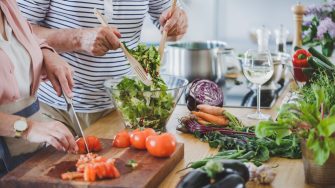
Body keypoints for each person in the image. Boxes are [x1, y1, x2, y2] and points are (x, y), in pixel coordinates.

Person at [17, 0, 188, 131]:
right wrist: (78, 38)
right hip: (56, 110)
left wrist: (178, 23)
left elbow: (171, 28)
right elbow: (16, 31)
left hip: (121, 110)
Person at [0, 0, 78, 174]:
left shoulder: (7, 4)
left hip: (28, 152)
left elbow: (27, 37)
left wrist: (47, 53)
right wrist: (28, 128)